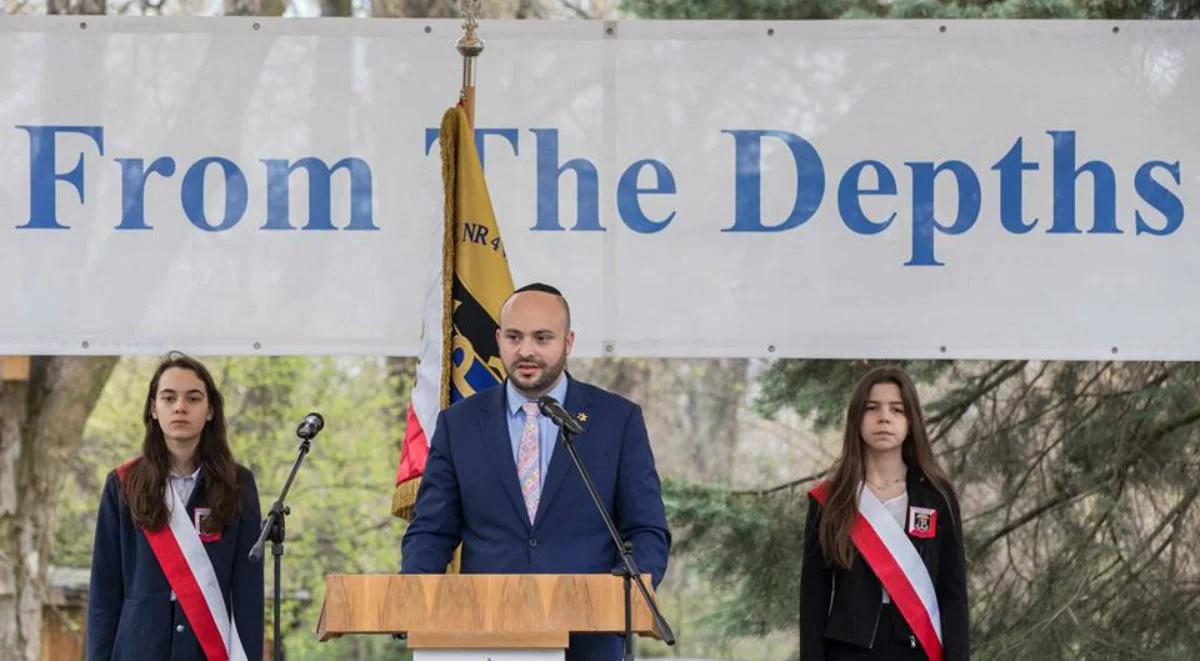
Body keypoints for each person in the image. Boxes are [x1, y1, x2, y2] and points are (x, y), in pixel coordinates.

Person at [402, 283, 671, 661]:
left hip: (589, 642)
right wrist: (412, 598)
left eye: (542, 338)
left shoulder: (617, 420)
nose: (526, 350)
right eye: (514, 337)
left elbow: (646, 530)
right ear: (499, 340)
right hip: (485, 637)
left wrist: (621, 603)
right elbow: (432, 530)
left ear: (568, 342)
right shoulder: (458, 424)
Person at [87, 354, 263, 661]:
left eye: (193, 398)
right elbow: (104, 590)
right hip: (138, 648)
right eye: (169, 398)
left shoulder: (238, 484)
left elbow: (248, 591)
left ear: (210, 410)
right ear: (154, 409)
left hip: (207, 649)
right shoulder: (121, 484)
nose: (180, 406)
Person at [800, 366, 969, 661]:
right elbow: (814, 597)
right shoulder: (831, 498)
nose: (884, 418)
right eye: (872, 408)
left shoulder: (937, 495)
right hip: (848, 651)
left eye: (897, 409)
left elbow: (953, 593)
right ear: (857, 418)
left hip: (918, 648)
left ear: (911, 421)